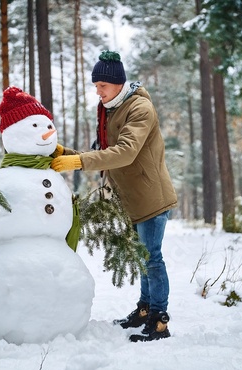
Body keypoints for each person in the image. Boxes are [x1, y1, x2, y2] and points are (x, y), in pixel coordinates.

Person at [51, 50, 177, 342]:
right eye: (95, 86)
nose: (98, 91)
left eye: (102, 86)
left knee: (152, 259)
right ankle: (145, 309)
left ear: (118, 83)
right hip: (131, 199)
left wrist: (79, 162)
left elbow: (125, 152)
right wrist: (67, 154)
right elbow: (101, 150)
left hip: (151, 197)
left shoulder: (140, 109)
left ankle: (160, 320)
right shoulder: (109, 110)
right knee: (140, 256)